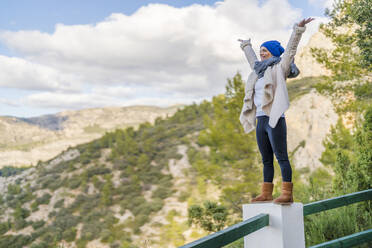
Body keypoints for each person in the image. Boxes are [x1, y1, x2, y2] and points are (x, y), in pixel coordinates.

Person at [238, 18, 314, 204]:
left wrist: (298, 29)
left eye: (265, 51)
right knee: (266, 160)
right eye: (261, 51)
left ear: (272, 52)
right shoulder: (258, 70)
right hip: (260, 120)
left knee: (281, 157)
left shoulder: (281, 67)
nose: (261, 54)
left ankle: (287, 193)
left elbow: (290, 50)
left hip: (275, 119)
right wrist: (247, 45)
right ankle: (266, 193)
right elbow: (252, 60)